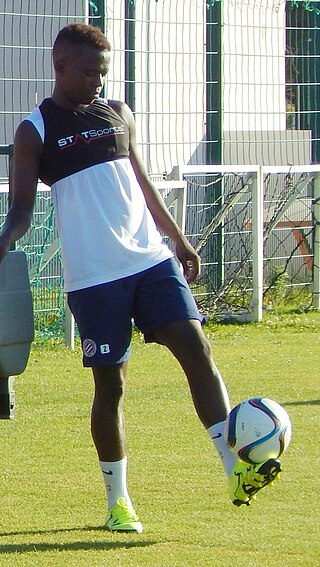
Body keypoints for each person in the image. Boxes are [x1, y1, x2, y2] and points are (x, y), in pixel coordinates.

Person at [0, 23, 281, 533]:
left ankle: (234, 470)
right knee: (111, 388)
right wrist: (2, 241)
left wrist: (177, 237)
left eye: (103, 74)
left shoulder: (119, 113)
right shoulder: (34, 130)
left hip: (150, 261)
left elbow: (144, 183)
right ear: (60, 66)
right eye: (89, 73)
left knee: (196, 348)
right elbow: (21, 210)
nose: (98, 83)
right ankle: (119, 502)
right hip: (95, 279)